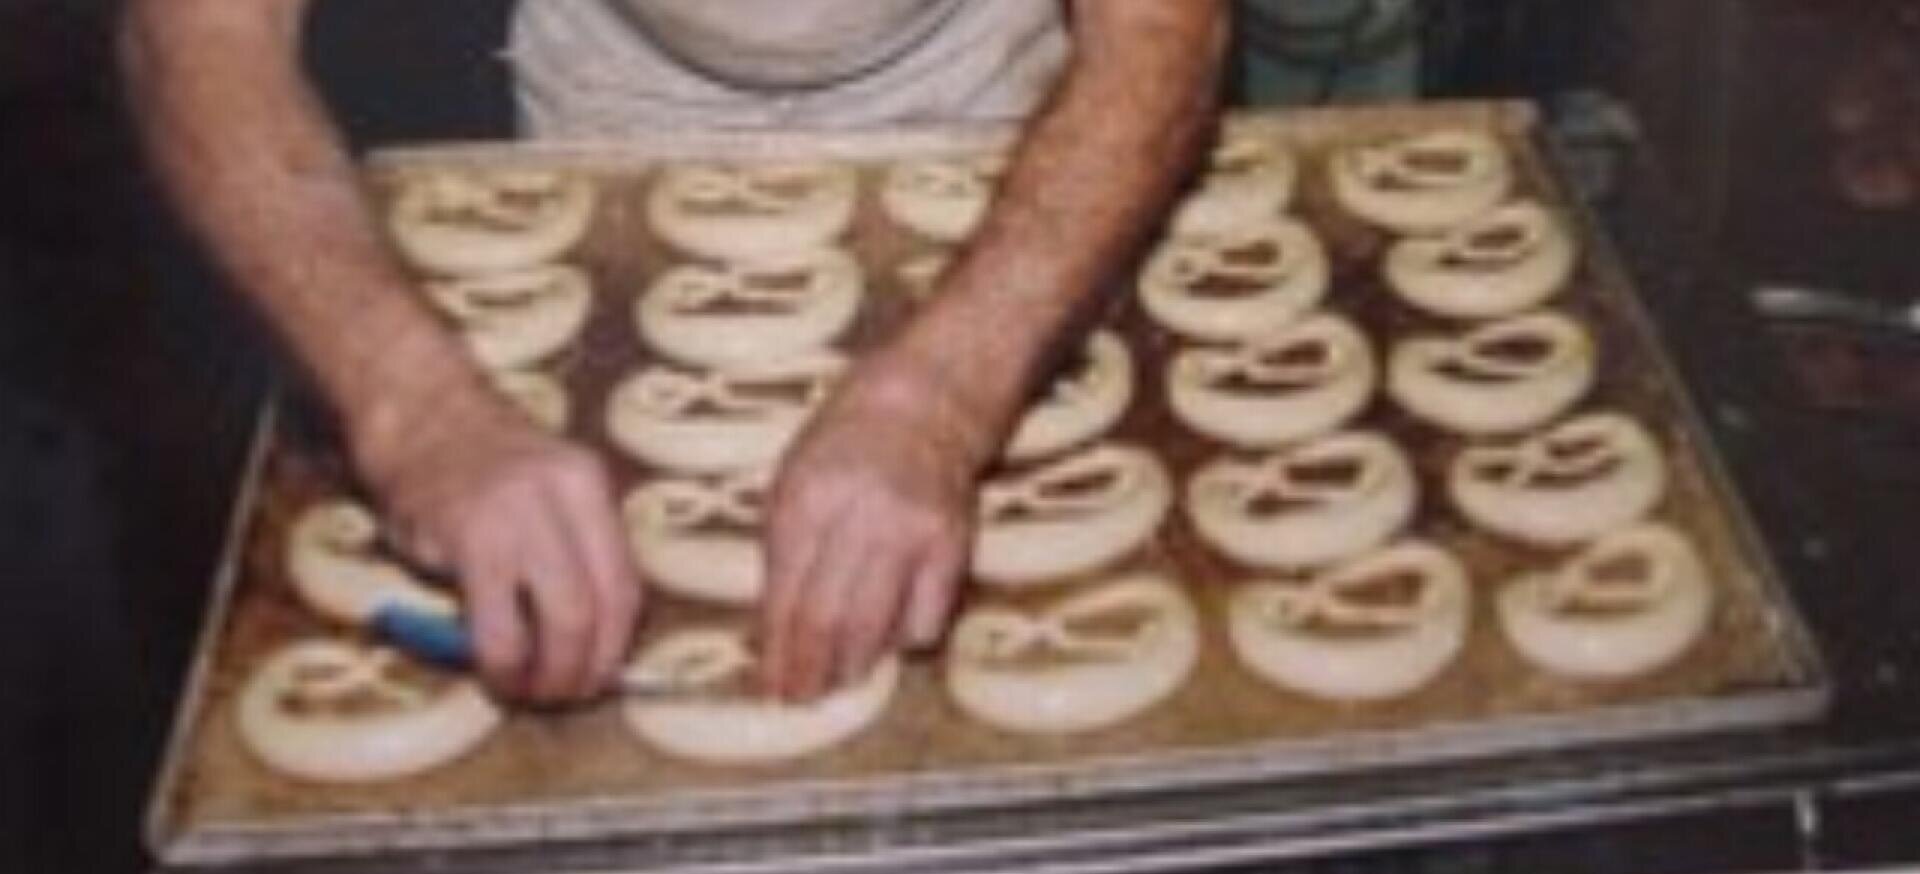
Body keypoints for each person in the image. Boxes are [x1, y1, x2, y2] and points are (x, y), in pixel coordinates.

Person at [118, 0, 1228, 705]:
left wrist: (942, 403)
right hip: (603, 123)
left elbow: (1162, 34)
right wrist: (419, 413)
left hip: (996, 123)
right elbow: (198, 38)